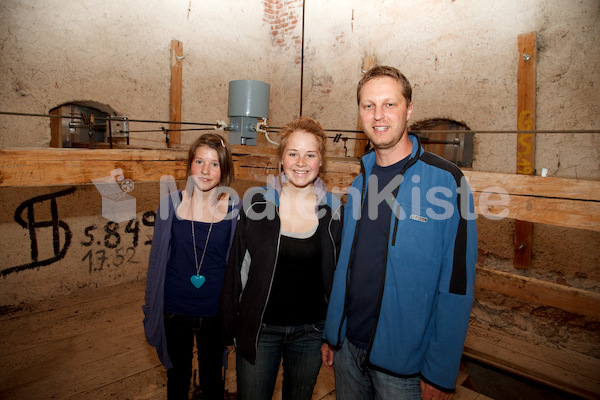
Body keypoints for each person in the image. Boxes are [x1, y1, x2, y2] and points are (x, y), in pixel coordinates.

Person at [321, 66, 478, 400]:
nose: (378, 115)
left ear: (409, 109)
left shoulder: (447, 182)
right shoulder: (360, 182)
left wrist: (440, 370)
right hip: (349, 349)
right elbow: (346, 266)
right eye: (368, 105)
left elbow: (457, 284)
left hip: (405, 365)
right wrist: (332, 333)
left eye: (389, 104)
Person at [218, 116, 343, 400]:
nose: (301, 162)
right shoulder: (256, 203)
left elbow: (338, 278)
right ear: (281, 160)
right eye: (293, 153)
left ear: (320, 161)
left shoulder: (335, 211)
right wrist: (228, 328)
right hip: (261, 329)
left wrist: (332, 335)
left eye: (310, 154)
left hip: (311, 333)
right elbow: (236, 268)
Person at [143, 133, 240, 400]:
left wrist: (236, 313)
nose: (206, 170)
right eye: (199, 161)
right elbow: (156, 264)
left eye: (214, 163)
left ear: (224, 169)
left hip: (215, 310)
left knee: (212, 381)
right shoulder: (170, 204)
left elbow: (237, 266)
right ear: (190, 164)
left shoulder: (234, 209)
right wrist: (150, 307)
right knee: (177, 378)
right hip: (175, 309)